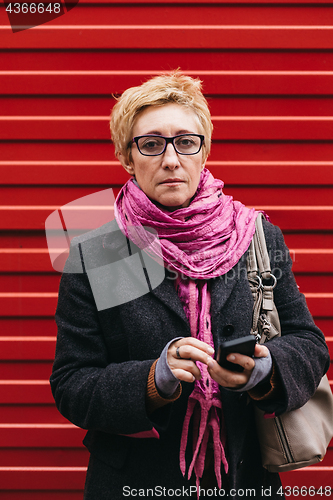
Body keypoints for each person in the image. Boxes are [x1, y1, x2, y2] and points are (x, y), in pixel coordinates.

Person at [50, 73, 330, 500]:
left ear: (204, 152)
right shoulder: (101, 251)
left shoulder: (255, 235)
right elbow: (72, 382)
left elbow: (310, 344)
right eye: (150, 144)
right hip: (133, 482)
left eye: (185, 141)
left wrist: (265, 369)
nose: (170, 159)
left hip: (242, 477)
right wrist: (152, 379)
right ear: (127, 158)